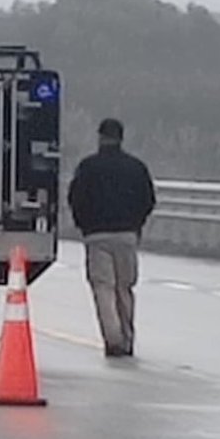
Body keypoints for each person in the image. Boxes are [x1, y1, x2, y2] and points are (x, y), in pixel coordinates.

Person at [67, 118, 156, 357]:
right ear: (121, 138)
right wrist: (136, 224)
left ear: (100, 137)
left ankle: (113, 338)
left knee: (103, 287)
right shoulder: (136, 167)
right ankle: (127, 338)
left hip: (97, 235)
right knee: (125, 288)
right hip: (127, 235)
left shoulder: (88, 167)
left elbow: (75, 198)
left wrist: (84, 225)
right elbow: (148, 200)